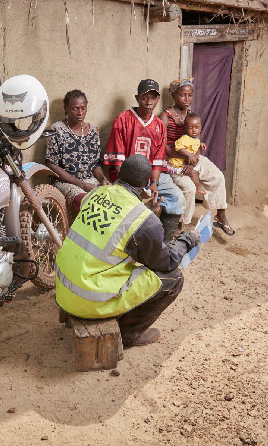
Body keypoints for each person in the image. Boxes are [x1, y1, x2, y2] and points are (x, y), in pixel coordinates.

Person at [55, 154, 200, 347]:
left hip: (64, 290)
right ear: (148, 182)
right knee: (173, 279)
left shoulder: (96, 193)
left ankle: (84, 313)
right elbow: (166, 261)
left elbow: (112, 221)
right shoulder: (143, 219)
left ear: (119, 174)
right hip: (89, 300)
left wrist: (150, 216)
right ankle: (130, 334)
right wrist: (187, 239)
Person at [103, 79, 185, 240]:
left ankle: (165, 243)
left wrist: (153, 182)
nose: (149, 102)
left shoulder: (159, 126)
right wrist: (137, 186)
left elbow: (158, 160)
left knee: (176, 197)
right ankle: (129, 244)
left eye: (153, 98)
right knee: (132, 206)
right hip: (127, 178)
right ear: (137, 98)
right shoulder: (123, 120)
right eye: (144, 97)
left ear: (158, 100)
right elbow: (118, 164)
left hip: (150, 178)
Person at [159, 78, 234, 235]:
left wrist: (193, 162)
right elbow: (164, 147)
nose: (187, 99)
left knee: (218, 177)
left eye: (190, 95)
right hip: (175, 161)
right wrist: (186, 158)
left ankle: (221, 216)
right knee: (190, 188)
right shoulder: (165, 116)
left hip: (193, 159)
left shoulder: (192, 115)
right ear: (174, 96)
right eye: (182, 95)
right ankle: (181, 223)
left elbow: (197, 142)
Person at [45, 90, 110, 214]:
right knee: (88, 204)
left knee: (111, 199)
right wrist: (83, 185)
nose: (80, 113)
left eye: (83, 108)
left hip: (90, 181)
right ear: (66, 108)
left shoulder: (92, 132)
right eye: (75, 109)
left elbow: (95, 164)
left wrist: (103, 179)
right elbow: (51, 165)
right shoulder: (56, 130)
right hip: (65, 183)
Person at [167, 113, 208, 196]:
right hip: (180, 161)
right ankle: (197, 187)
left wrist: (201, 144)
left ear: (200, 128)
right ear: (186, 129)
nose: (194, 130)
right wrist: (188, 155)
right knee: (193, 173)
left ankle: (198, 185)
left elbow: (195, 144)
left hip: (189, 161)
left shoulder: (195, 138)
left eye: (196, 127)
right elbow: (178, 147)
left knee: (196, 172)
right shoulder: (184, 138)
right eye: (191, 128)